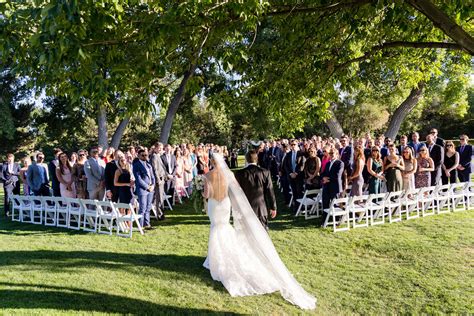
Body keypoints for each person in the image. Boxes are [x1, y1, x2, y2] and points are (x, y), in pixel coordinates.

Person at [202, 153, 316, 310]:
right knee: (236, 229)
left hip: (219, 205)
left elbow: (209, 194)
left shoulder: (214, 175)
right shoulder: (233, 174)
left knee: (218, 228)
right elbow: (243, 191)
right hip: (240, 206)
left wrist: (202, 194)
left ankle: (218, 258)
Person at [235, 150, 277, 230]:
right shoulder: (265, 172)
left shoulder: (239, 173)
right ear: (257, 159)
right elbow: (270, 191)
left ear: (246, 160)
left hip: (245, 208)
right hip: (261, 208)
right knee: (263, 234)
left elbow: (237, 192)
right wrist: (273, 207)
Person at [133, 148, 155, 230]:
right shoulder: (136, 165)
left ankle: (147, 224)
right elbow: (138, 179)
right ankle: (140, 226)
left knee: (148, 207)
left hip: (151, 189)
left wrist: (152, 185)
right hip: (142, 189)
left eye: (146, 155)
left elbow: (152, 176)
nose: (145, 156)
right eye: (143, 155)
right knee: (142, 208)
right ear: (138, 156)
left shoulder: (148, 164)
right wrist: (147, 187)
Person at [282, 140, 305, 212]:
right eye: (291, 145)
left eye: (294, 144)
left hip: (299, 176)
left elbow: (302, 165)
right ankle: (296, 207)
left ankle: (301, 207)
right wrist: (290, 173)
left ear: (297, 144)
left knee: (299, 192)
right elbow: (286, 165)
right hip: (291, 176)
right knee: (294, 192)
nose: (293, 146)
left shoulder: (301, 153)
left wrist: (296, 173)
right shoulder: (288, 154)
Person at [150, 143, 167, 220]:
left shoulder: (158, 156)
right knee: (159, 198)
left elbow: (162, 168)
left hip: (162, 178)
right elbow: (154, 169)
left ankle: (161, 213)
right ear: (155, 148)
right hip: (158, 179)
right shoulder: (154, 156)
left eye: (161, 148)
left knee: (160, 197)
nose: (160, 149)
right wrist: (158, 180)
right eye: (159, 148)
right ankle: (160, 215)